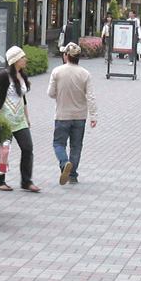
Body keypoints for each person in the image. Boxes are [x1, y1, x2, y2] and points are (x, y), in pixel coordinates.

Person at [47, 42, 98, 185]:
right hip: (80, 116)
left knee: (58, 143)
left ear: (66, 56)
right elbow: (91, 96)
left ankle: (64, 163)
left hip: (62, 114)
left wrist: (60, 94)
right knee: (76, 146)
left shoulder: (57, 71)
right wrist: (93, 115)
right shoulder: (85, 74)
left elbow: (50, 93)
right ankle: (72, 175)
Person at [0, 46, 39, 193]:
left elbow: (23, 98)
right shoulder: (4, 76)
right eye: (22, 57)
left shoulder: (22, 76)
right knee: (4, 150)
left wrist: (27, 117)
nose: (25, 59)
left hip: (20, 120)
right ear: (14, 60)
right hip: (6, 119)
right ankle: (0, 180)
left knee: (28, 148)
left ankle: (26, 181)